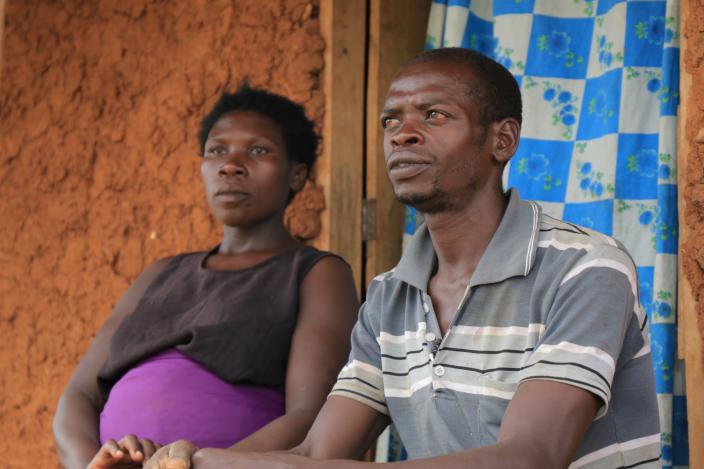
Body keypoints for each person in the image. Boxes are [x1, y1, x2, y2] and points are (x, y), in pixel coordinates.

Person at [147, 48, 661, 469]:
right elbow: (315, 452)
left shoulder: (585, 267)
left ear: (501, 141)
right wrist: (187, 460)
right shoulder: (390, 296)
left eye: (434, 115)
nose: (402, 133)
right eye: (391, 119)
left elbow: (529, 457)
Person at [52, 85, 359, 469]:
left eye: (258, 150)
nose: (230, 164)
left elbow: (310, 415)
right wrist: (90, 465)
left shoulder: (315, 273)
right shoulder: (161, 273)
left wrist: (200, 464)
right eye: (216, 150)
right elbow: (78, 396)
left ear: (296, 175)